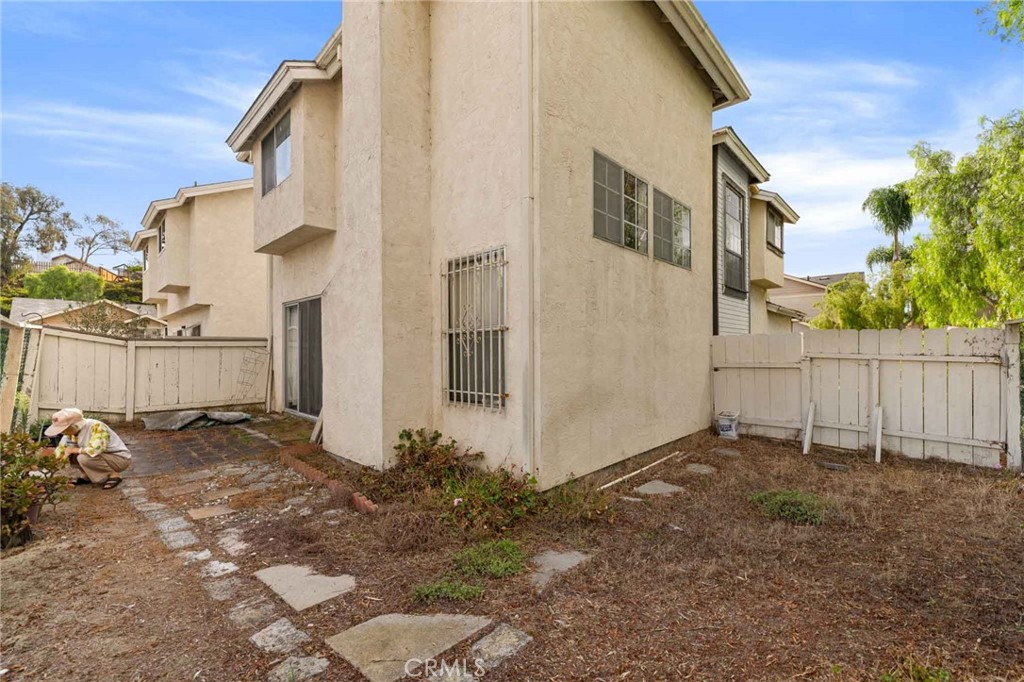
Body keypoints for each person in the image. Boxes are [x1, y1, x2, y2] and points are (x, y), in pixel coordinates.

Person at [46, 408, 132, 489]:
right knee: (72, 455)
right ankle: (86, 475)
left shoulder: (96, 426)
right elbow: (60, 451)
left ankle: (113, 475)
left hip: (119, 458)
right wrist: (48, 468)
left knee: (83, 457)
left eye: (64, 429)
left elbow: (96, 449)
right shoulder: (69, 434)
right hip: (102, 457)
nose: (62, 432)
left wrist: (74, 450)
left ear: (74, 425)